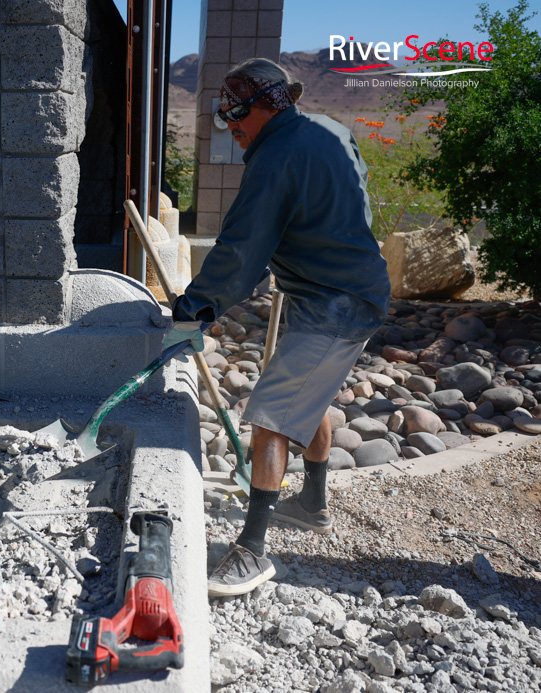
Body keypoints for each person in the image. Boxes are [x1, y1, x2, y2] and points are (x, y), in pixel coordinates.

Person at [163, 58, 390, 597]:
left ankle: (254, 551)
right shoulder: (331, 130)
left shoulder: (276, 158)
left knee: (270, 418)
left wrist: (196, 306)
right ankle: (311, 503)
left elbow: (243, 249)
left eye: (235, 112)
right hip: (344, 287)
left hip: (337, 302)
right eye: (223, 115)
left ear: (270, 103)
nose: (230, 124)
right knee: (308, 397)